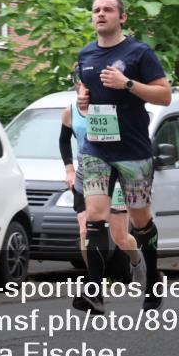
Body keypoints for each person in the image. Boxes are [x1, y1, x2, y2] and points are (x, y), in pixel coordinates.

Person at [76, 0, 172, 312]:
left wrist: (127, 84)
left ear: (122, 17)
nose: (100, 14)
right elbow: (84, 93)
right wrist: (82, 101)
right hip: (95, 149)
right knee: (95, 217)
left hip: (132, 150)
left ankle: (153, 277)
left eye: (107, 10)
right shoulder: (85, 55)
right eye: (96, 10)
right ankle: (94, 290)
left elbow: (164, 96)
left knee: (141, 221)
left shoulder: (139, 52)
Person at [59, 66, 137, 312]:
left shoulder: (110, 107)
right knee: (86, 230)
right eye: (80, 82)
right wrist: (69, 170)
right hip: (86, 176)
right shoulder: (70, 111)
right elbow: (63, 141)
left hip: (113, 173)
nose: (85, 88)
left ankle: (138, 263)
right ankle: (96, 287)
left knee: (119, 237)